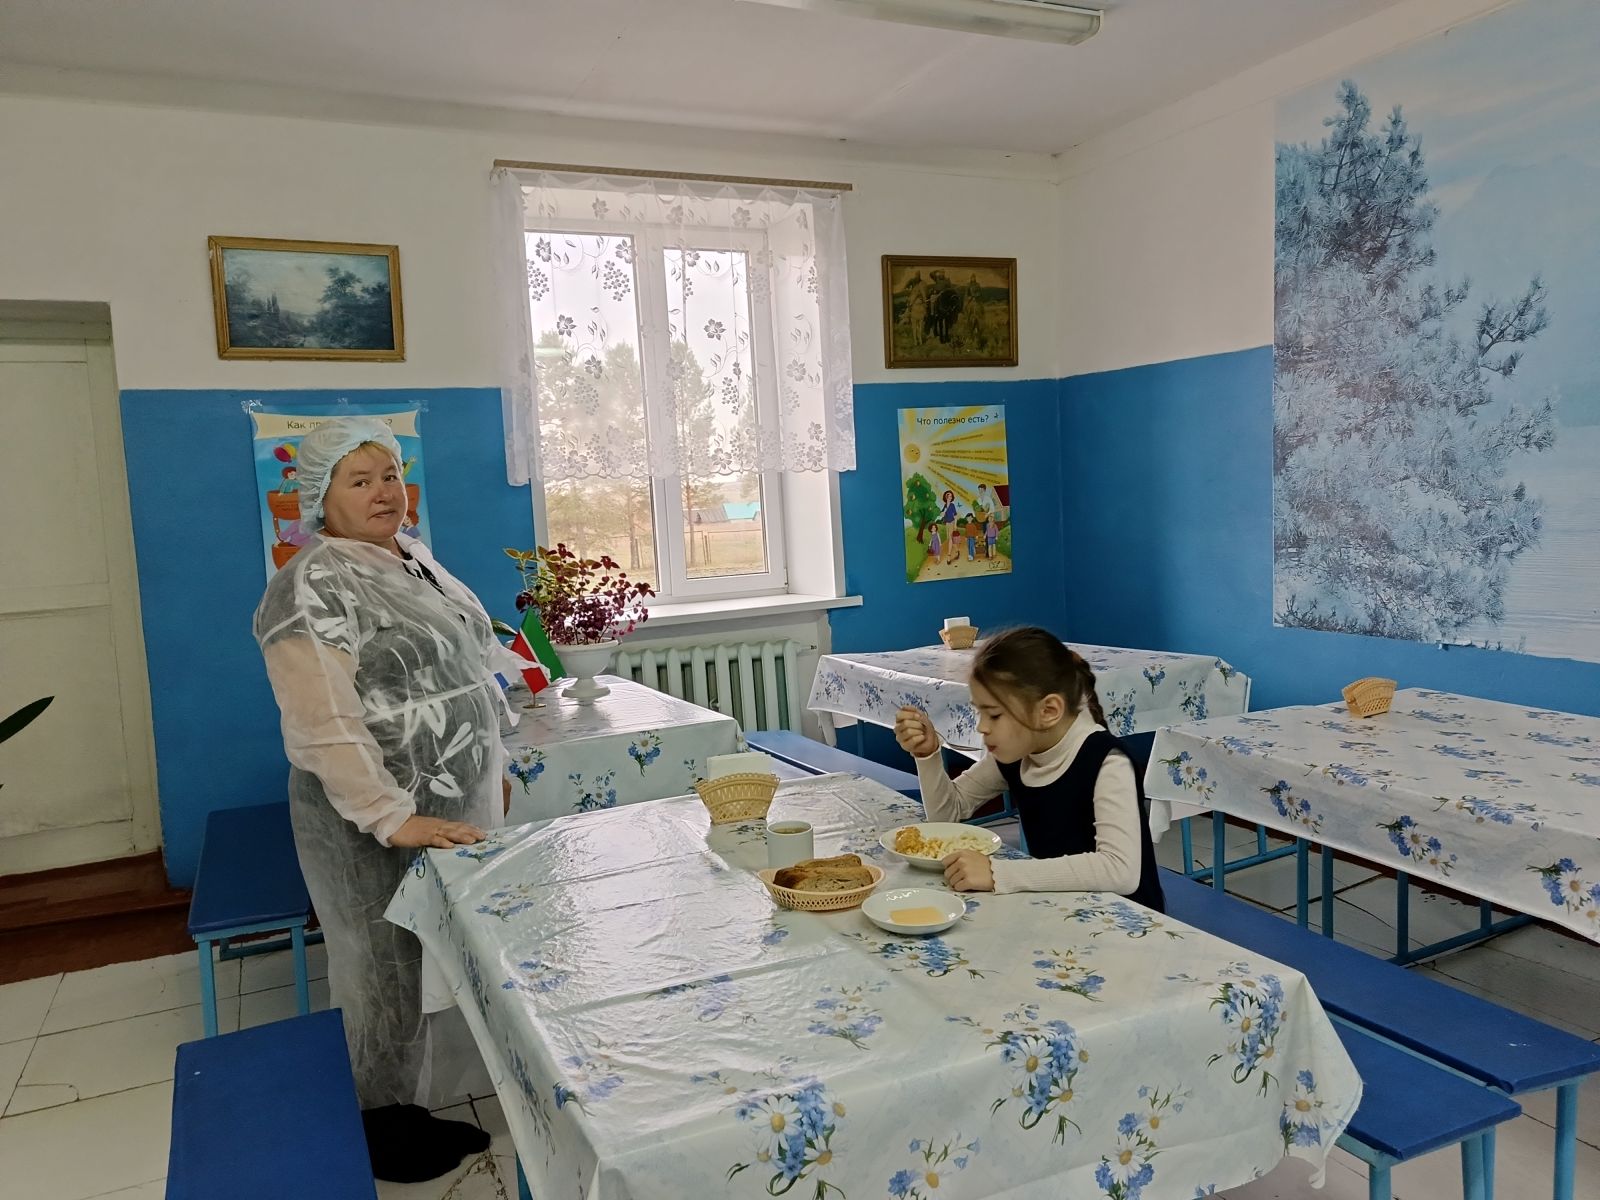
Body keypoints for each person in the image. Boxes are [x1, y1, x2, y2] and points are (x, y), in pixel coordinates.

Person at [253, 417, 530, 1183]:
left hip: (443, 804)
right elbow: (323, 722)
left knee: (432, 952)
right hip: (369, 815)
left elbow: (469, 667)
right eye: (360, 480)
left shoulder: (409, 558)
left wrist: (494, 765)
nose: (384, 493)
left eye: (391, 476)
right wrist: (391, 817)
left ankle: (414, 1103)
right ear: (321, 495)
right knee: (382, 964)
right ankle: (379, 1123)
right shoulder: (310, 586)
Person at [892, 627, 1164, 910]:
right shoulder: (1017, 753)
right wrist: (927, 755)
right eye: (979, 712)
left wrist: (998, 873)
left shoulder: (1107, 762)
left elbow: (1120, 870)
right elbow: (947, 813)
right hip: (1059, 909)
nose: (981, 727)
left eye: (994, 715)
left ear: (1048, 711)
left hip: (1127, 922)